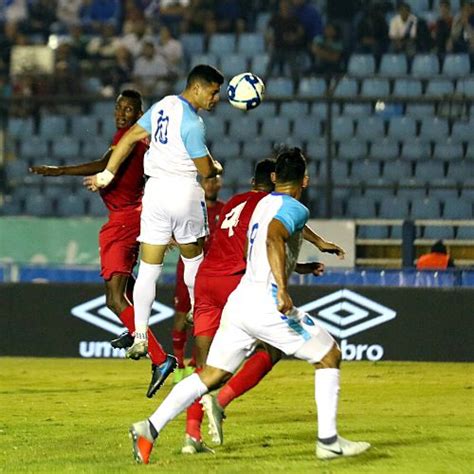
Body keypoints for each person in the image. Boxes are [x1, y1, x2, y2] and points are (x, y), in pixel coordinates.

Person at [128, 148, 370, 463]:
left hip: (239, 301)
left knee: (210, 374)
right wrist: (282, 288)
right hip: (266, 303)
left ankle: (149, 428)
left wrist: (305, 254)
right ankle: (328, 441)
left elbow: (254, 243)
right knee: (329, 354)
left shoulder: (261, 205)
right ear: (305, 180)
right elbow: (273, 238)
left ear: (275, 178)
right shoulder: (295, 207)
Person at [180, 156, 344, 454]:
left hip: (206, 281)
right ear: (273, 181)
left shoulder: (233, 203)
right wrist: (318, 243)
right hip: (235, 281)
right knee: (272, 349)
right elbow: (274, 234)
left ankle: (192, 435)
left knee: (203, 364)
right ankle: (222, 400)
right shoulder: (269, 204)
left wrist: (302, 265)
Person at [30, 90, 177, 398]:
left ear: (139, 113)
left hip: (124, 222)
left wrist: (58, 171)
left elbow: (104, 163)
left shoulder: (131, 138)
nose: (122, 113)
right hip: (129, 217)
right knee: (126, 289)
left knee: (113, 298)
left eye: (129, 109)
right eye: (118, 107)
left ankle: (161, 359)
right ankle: (136, 328)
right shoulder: (135, 138)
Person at [87, 64, 224, 363]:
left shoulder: (163, 105)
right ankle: (195, 311)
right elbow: (205, 172)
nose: (216, 99)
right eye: (213, 93)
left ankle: (139, 335)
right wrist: (215, 165)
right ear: (198, 88)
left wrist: (107, 175)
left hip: (155, 195)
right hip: (184, 193)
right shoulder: (193, 123)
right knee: (193, 256)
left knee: (149, 269)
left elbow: (129, 137)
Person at [172, 174, 224, 384]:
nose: (211, 184)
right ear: (201, 183)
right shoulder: (189, 206)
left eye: (215, 180)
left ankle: (195, 363)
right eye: (208, 181)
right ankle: (178, 365)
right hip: (188, 266)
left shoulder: (226, 210)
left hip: (212, 271)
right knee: (182, 316)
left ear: (220, 184)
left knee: (206, 317)